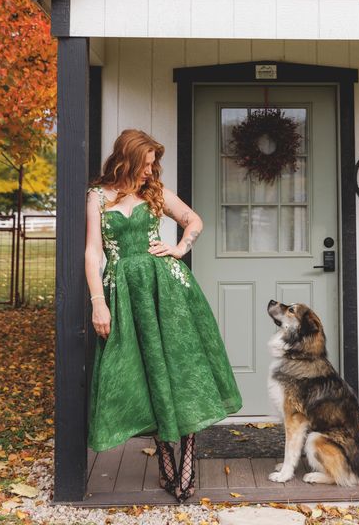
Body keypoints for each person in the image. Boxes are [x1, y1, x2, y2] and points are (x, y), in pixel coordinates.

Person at [85, 129, 242, 502]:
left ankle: (186, 458)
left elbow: (194, 220)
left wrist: (179, 248)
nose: (149, 172)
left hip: (168, 293)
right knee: (144, 370)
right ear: (126, 160)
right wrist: (97, 302)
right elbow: (93, 253)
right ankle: (165, 457)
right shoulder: (96, 197)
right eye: (145, 165)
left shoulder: (154, 192)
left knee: (180, 372)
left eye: (153, 165)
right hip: (124, 295)